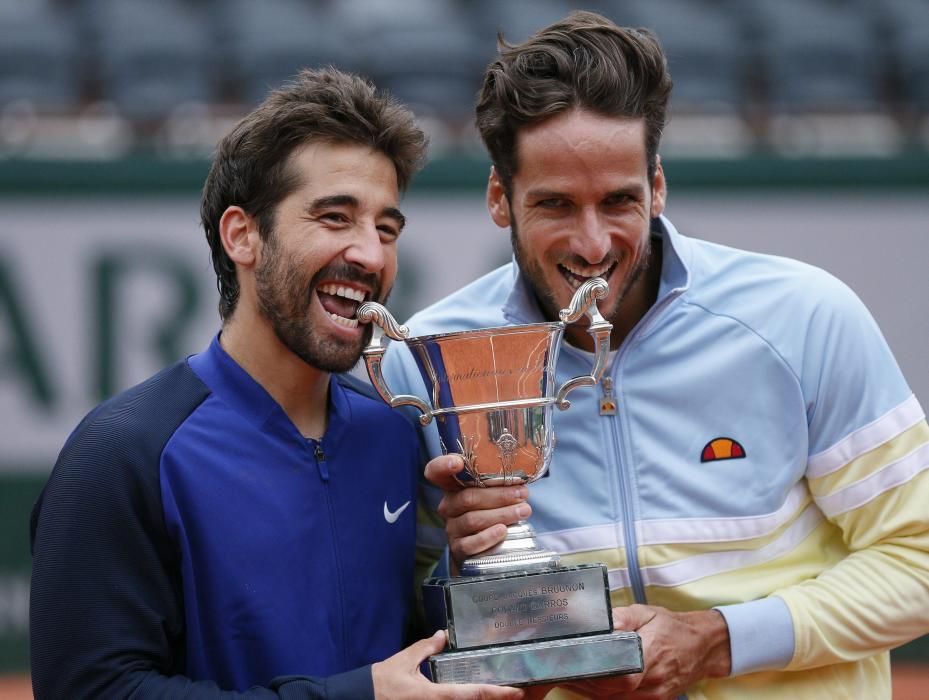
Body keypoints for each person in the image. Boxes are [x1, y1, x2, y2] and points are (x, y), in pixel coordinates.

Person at [380, 11, 929, 700]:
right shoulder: (430, 359)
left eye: (619, 201)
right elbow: (410, 625)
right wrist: (463, 573)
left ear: (658, 187)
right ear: (500, 197)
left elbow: (918, 563)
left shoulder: (804, 317)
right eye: (554, 204)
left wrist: (718, 640)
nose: (591, 243)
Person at [30, 68, 524, 700]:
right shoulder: (122, 452)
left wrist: (476, 583)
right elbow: (93, 693)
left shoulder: (394, 438)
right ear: (243, 236)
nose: (371, 255)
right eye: (335, 217)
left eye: (386, 228)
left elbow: (404, 657)